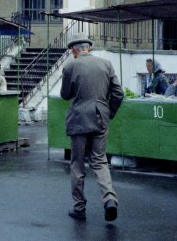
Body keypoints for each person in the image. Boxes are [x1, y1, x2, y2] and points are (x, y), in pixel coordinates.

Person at [60, 33, 124, 222]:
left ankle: (79, 208)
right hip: (100, 118)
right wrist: (107, 112)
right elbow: (118, 93)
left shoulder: (70, 65)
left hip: (79, 118)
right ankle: (109, 199)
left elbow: (65, 95)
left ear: (75, 50)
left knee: (78, 164)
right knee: (100, 161)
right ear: (88, 47)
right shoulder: (106, 64)